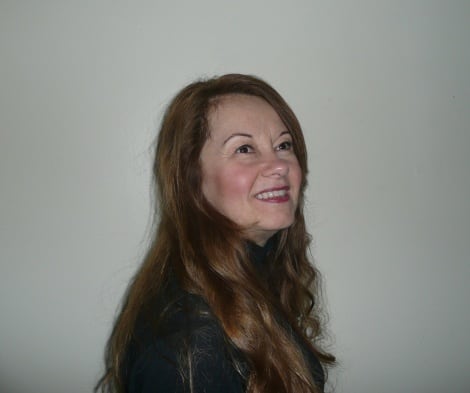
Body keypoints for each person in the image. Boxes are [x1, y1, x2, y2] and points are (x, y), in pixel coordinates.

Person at [95, 74, 335, 393]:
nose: (278, 165)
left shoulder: (250, 281)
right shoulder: (191, 345)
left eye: (284, 145)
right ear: (193, 180)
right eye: (245, 148)